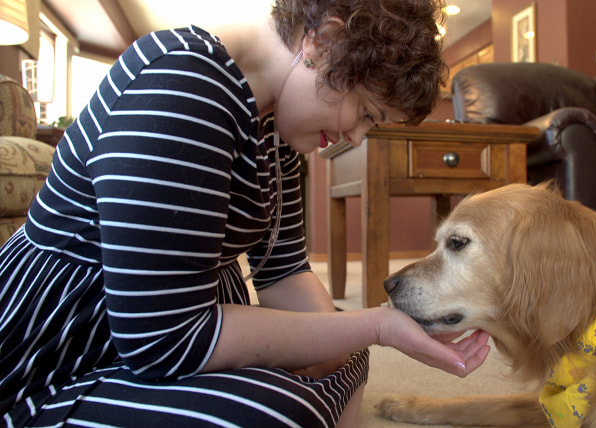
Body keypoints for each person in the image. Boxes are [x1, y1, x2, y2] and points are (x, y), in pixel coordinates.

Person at [0, 0, 491, 426]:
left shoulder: (274, 126)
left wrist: (347, 342)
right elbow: (166, 341)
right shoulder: (182, 83)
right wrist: (376, 327)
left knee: (345, 354)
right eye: (365, 113)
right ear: (324, 40)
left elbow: (283, 272)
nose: (357, 138)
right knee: (275, 410)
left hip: (173, 331)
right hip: (61, 352)